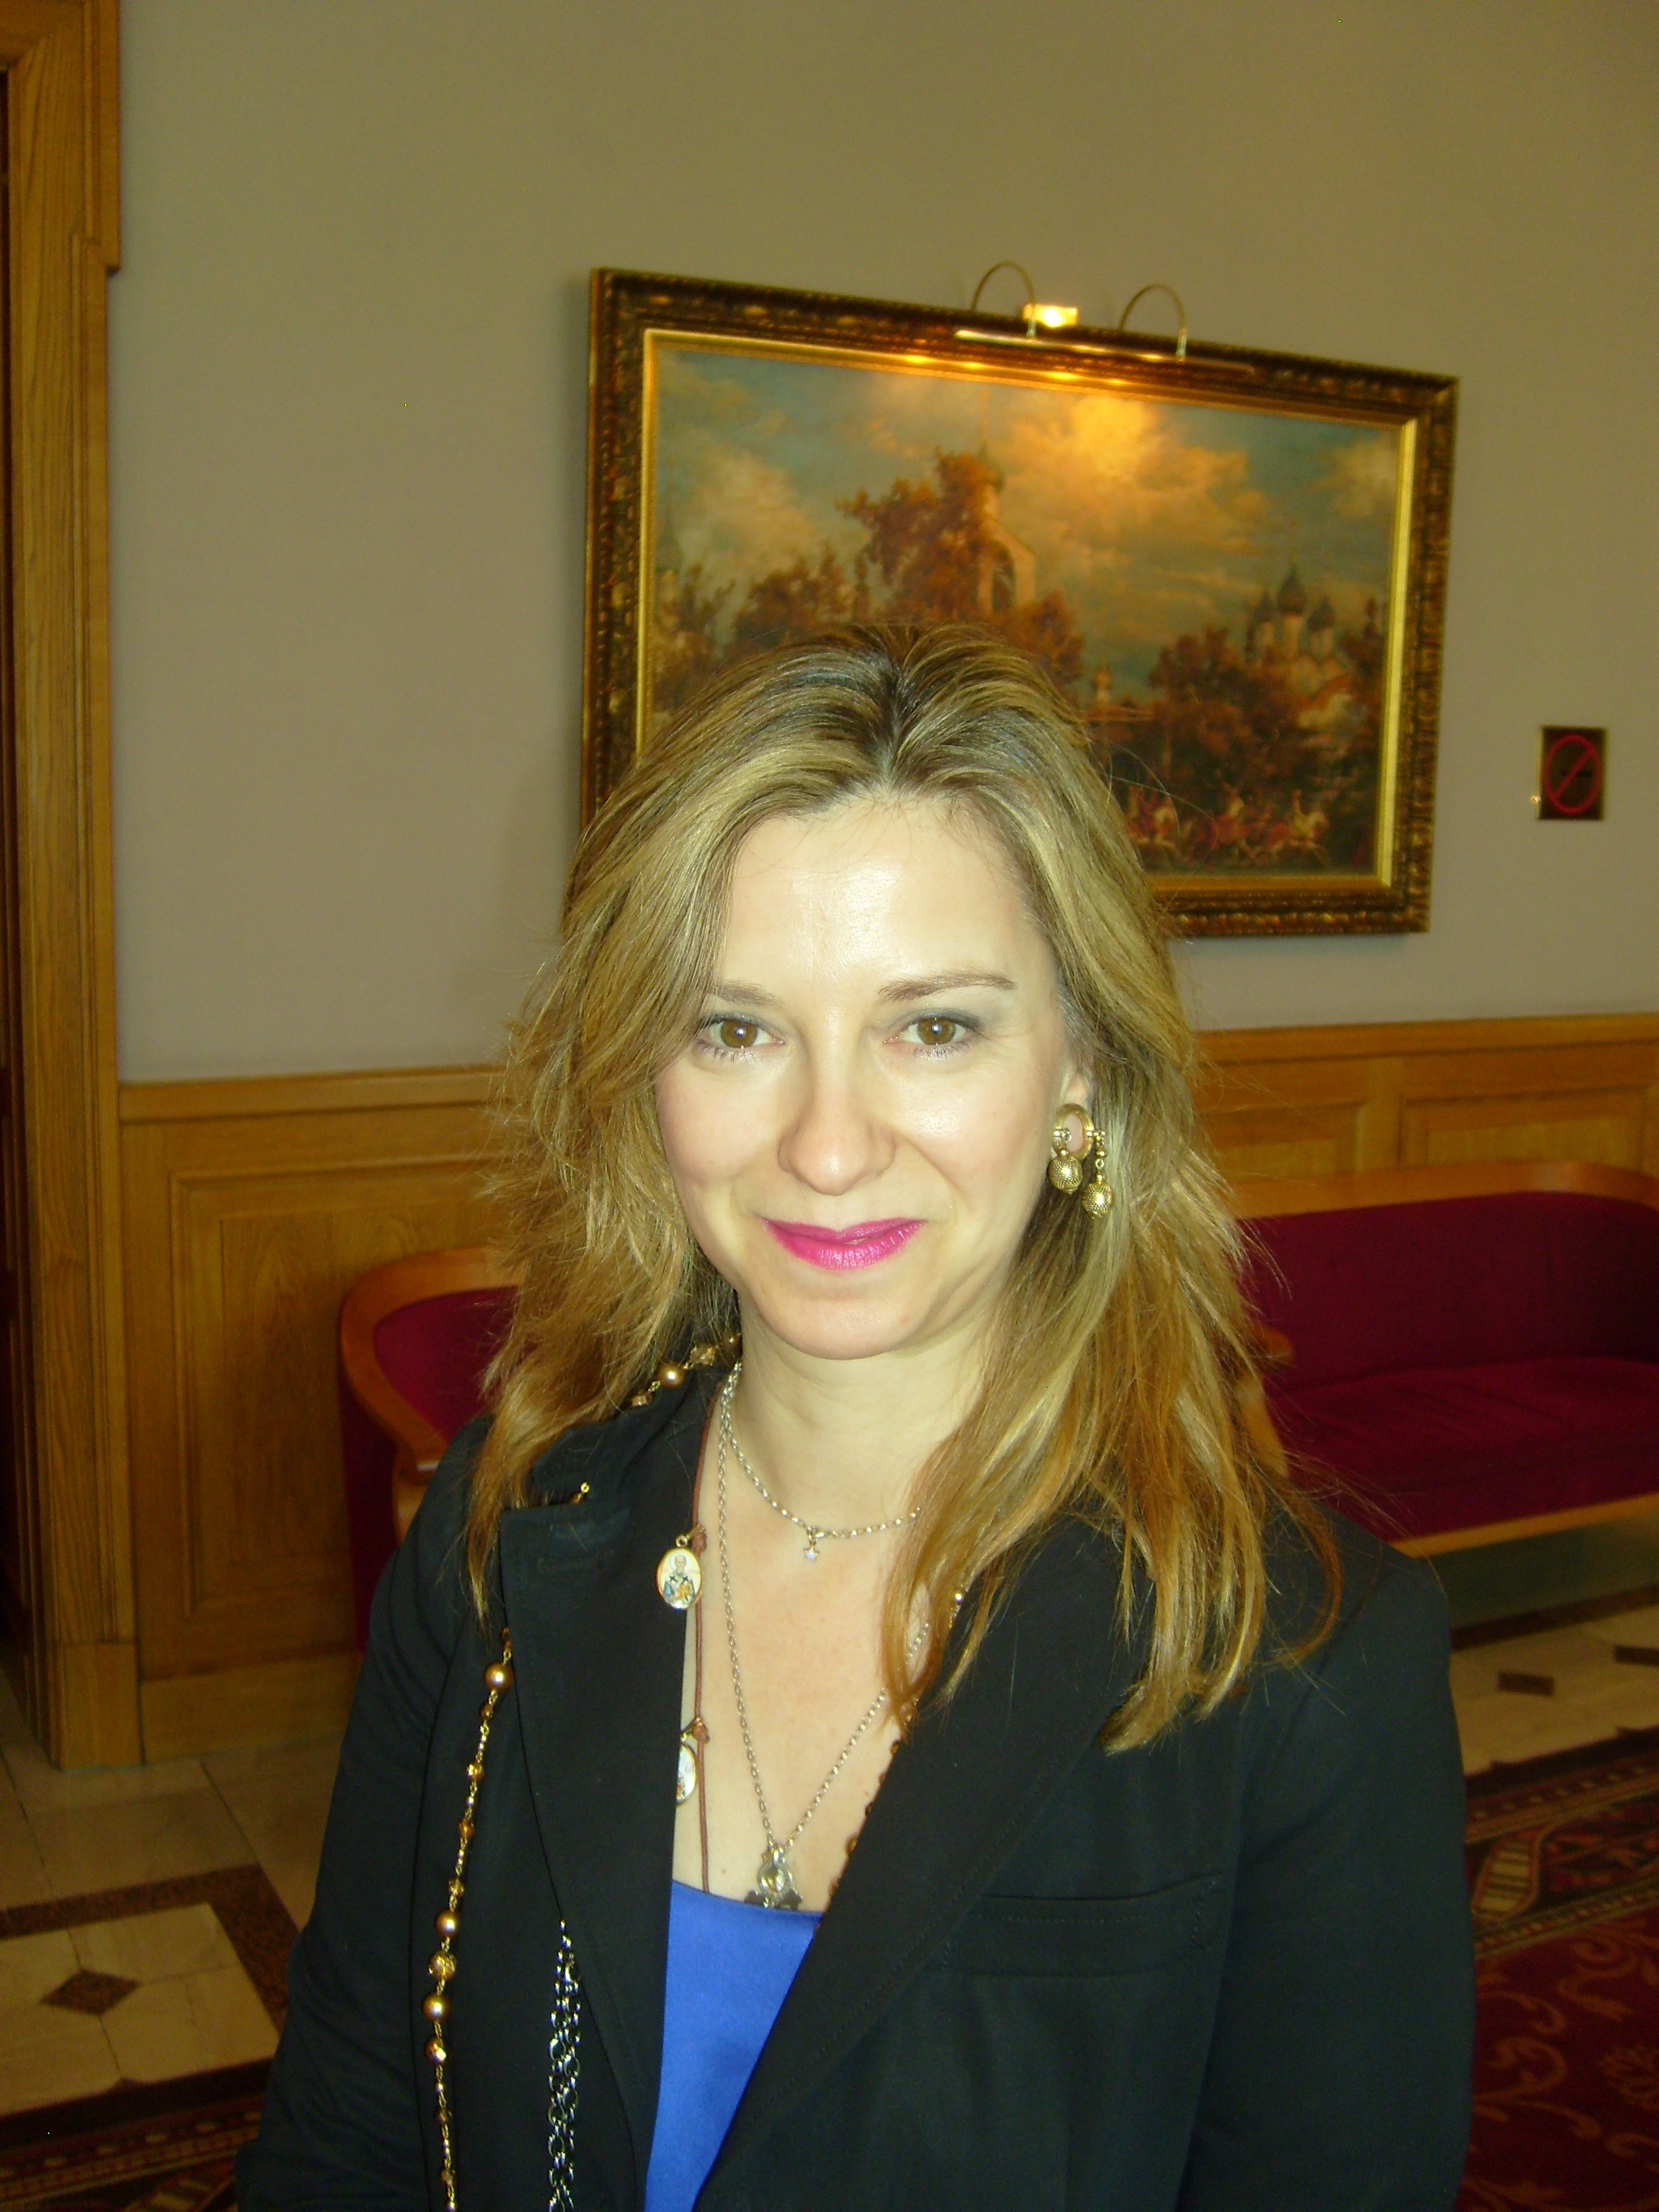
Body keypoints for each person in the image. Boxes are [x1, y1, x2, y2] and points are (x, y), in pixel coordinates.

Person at [240, 626, 1474, 2212]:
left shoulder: (1298, 1667)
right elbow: (348, 2125)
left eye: (934, 1026)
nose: (827, 1147)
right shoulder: (507, 1528)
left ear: (1083, 1070)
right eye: (737, 1029)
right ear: (645, 1075)